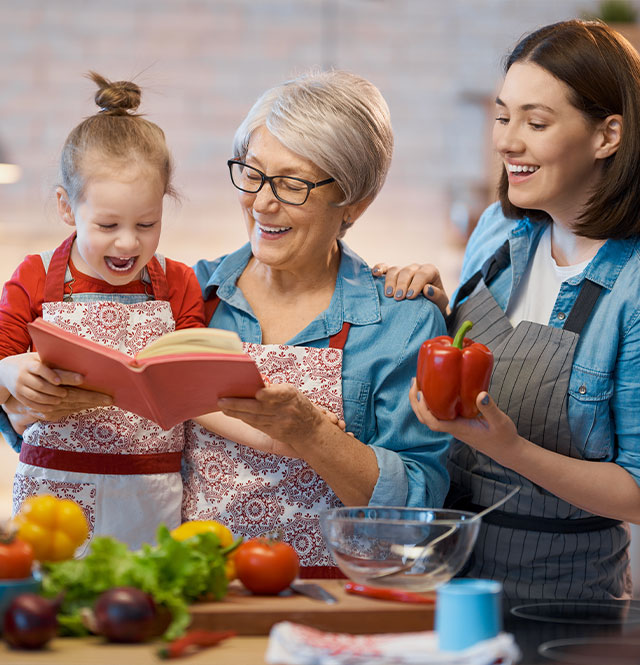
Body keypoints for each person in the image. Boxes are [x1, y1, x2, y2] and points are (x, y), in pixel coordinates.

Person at [1, 70, 450, 575]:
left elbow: (418, 511)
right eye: (253, 174)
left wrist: (309, 434)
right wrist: (31, 400)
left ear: (355, 203)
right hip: (195, 588)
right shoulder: (187, 295)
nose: (262, 202)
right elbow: (35, 424)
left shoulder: (402, 323)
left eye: (292, 184)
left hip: (338, 598)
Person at [377, 19, 640, 600]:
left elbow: (638, 492)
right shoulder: (500, 229)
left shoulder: (632, 287)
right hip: (438, 568)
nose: (506, 141)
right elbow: (478, 355)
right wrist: (439, 309)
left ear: (608, 136)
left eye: (536, 122)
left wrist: (508, 446)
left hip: (562, 596)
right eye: (503, 116)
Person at [0, 72, 254, 550]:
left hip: (152, 494)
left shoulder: (177, 282)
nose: (127, 242)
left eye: (147, 223)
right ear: (66, 206)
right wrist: (11, 372)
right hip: (52, 500)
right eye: (108, 224)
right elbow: (1, 363)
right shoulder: (34, 276)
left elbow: (195, 380)